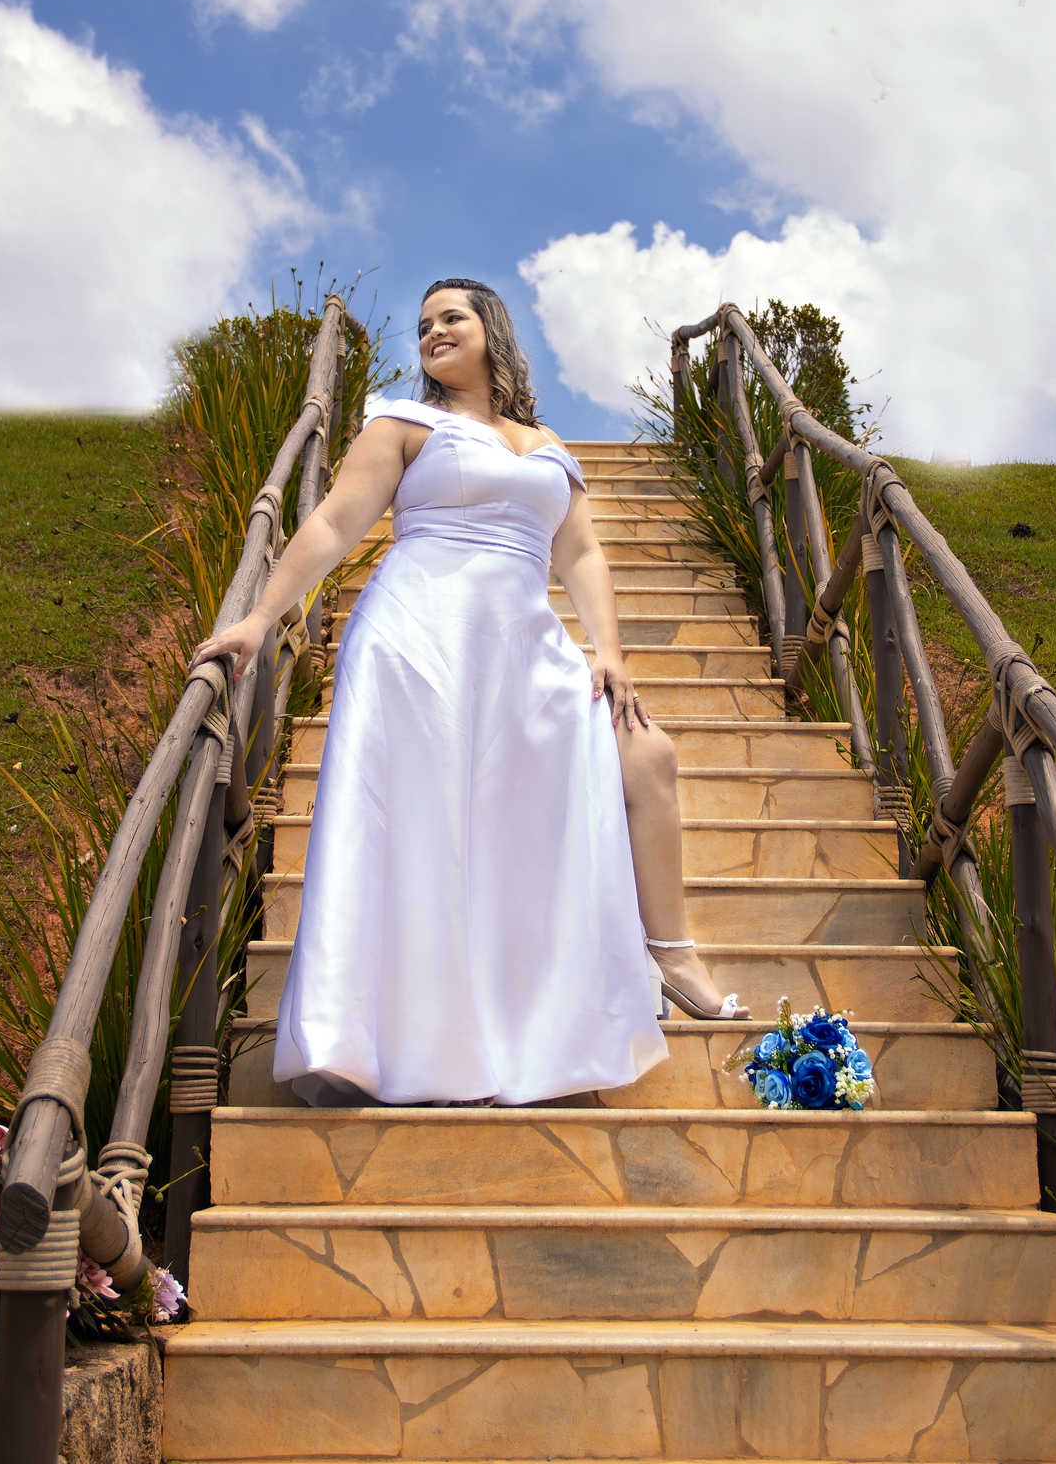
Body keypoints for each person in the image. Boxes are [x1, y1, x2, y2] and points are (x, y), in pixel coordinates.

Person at [190, 279, 746, 1108]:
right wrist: (262, 617)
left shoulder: (550, 444)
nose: (434, 331)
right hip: (417, 639)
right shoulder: (404, 424)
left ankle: (670, 952)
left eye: (452, 316)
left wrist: (610, 652)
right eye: (423, 325)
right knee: (433, 827)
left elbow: (582, 555)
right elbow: (337, 523)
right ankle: (424, 1039)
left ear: (493, 329)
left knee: (647, 757)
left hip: (524, 643)